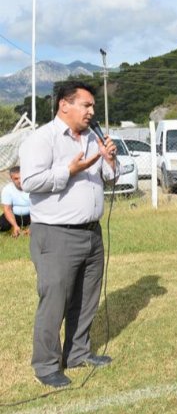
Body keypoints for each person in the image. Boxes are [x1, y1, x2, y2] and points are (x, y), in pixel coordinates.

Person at [19, 81, 118, 388]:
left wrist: (110, 160)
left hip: (92, 233)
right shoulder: (42, 139)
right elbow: (30, 181)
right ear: (64, 104)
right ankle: (46, 365)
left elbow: (109, 178)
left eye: (92, 106)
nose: (91, 111)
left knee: (86, 298)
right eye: (86, 105)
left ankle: (77, 353)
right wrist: (70, 170)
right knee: (55, 300)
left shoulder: (92, 138)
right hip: (56, 233)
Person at [0, 166, 31, 237]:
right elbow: (7, 209)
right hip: (15, 216)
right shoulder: (7, 189)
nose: (19, 181)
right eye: (16, 178)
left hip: (31, 216)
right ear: (11, 179)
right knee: (2, 225)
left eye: (21, 177)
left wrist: (33, 227)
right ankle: (14, 229)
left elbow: (37, 209)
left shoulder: (32, 188)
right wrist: (15, 226)